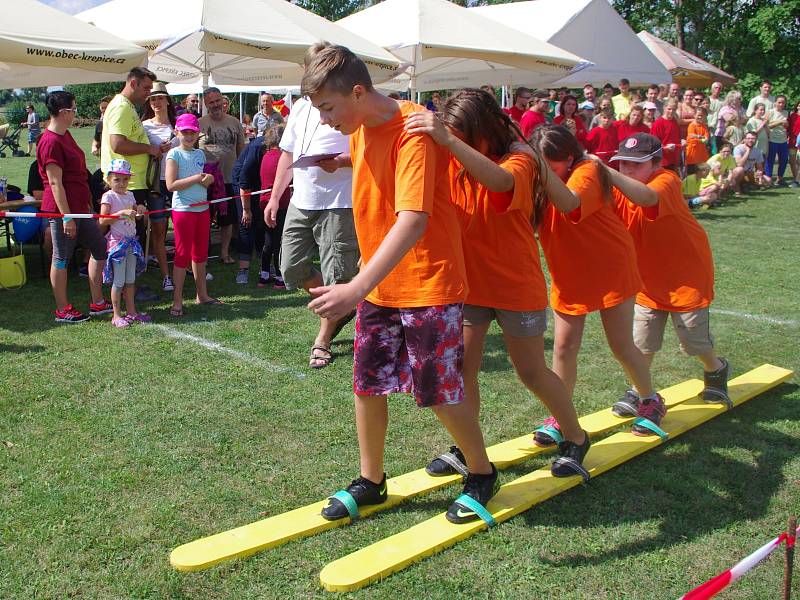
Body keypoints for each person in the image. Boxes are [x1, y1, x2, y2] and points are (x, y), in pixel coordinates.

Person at [302, 44, 498, 525]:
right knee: (367, 384)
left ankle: (481, 472)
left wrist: (354, 286)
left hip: (428, 282)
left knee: (437, 390)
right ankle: (371, 481)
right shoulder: (359, 130)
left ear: (358, 91)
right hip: (382, 285)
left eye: (327, 108)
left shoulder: (414, 131)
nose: (325, 120)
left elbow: (412, 220)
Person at [405, 89, 591, 481]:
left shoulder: (522, 158)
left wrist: (447, 138)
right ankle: (468, 449)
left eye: (463, 134)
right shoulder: (455, 157)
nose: (456, 141)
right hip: (470, 285)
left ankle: (575, 436)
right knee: (463, 370)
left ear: (482, 130)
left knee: (531, 371)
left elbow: (501, 182)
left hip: (515, 285)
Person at [531, 125, 661, 438]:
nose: (550, 169)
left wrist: (538, 168)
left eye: (555, 162)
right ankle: (560, 417)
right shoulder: (539, 179)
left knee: (621, 346)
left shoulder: (587, 169)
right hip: (569, 274)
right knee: (563, 347)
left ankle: (650, 400)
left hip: (610, 268)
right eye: (544, 163)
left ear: (570, 156)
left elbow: (571, 205)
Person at [609, 133, 731, 415]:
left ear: (656, 163)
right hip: (648, 278)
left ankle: (716, 368)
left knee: (693, 341)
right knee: (642, 342)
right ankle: (638, 391)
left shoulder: (666, 180)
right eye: (622, 164)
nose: (626, 170)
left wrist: (607, 173)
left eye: (634, 164)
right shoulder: (619, 188)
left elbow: (647, 198)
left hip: (686, 276)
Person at [264, 43, 359, 369]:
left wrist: (342, 162)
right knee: (290, 268)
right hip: (302, 200)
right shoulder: (302, 107)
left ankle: (323, 339)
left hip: (339, 202)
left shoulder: (348, 101)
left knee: (339, 276)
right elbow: (287, 154)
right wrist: (276, 196)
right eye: (310, 67)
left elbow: (371, 151)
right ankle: (344, 306)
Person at [38, 91, 111, 323]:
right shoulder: (49, 142)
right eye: (73, 110)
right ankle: (63, 309)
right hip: (63, 211)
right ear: (63, 112)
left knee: (99, 247)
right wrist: (66, 216)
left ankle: (97, 302)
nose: (74, 114)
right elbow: (55, 182)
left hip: (80, 207)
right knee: (61, 258)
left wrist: (87, 204)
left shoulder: (65, 135)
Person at [165, 113, 221, 316]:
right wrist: (197, 178)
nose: (189, 136)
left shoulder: (199, 154)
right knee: (182, 256)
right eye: (185, 132)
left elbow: (204, 180)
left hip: (202, 209)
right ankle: (177, 301)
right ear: (177, 132)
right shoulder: (174, 154)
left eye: (192, 132)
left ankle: (202, 295)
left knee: (200, 255)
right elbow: (171, 185)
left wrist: (208, 179)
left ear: (198, 133)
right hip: (184, 211)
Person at [102, 67, 170, 231]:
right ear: (133, 83)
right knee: (129, 235)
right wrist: (149, 149)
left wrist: (152, 148)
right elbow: (117, 144)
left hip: (130, 183)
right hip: (127, 184)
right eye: (146, 88)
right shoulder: (122, 107)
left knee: (133, 234)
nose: (149, 93)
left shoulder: (127, 106)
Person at [98, 159, 150, 328]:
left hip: (131, 243)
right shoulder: (108, 196)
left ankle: (132, 312)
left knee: (130, 280)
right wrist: (120, 213)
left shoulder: (130, 195)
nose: (122, 183)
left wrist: (140, 209)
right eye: (117, 179)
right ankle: (116, 315)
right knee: (119, 281)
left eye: (125, 179)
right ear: (108, 180)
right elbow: (103, 221)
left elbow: (136, 213)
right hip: (118, 245)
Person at [198, 87, 245, 263]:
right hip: (206, 181)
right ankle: (203, 252)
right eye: (211, 102)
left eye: (218, 100)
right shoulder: (199, 123)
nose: (216, 105)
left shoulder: (234, 123)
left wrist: (241, 172)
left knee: (227, 220)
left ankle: (224, 253)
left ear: (222, 100)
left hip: (229, 178)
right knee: (205, 218)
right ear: (206, 104)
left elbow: (241, 149)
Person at [141, 82, 179, 292]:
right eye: (153, 98)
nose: (157, 102)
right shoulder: (144, 126)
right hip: (156, 183)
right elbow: (140, 151)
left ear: (167, 100)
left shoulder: (178, 123)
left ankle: (185, 267)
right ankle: (166, 276)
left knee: (182, 228)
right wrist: (155, 150)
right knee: (159, 229)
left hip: (178, 182)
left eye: (160, 98)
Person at [257, 125, 290, 288]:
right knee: (278, 241)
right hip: (280, 203)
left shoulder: (266, 156)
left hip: (264, 202)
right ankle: (279, 276)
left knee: (268, 240)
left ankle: (264, 274)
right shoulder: (283, 157)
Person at [650, 98, 683, 171]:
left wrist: (682, 143)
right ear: (664, 108)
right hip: (662, 161)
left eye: (674, 109)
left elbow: (678, 139)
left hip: (674, 160)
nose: (671, 111)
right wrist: (665, 148)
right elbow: (653, 144)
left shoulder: (675, 121)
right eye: (669, 109)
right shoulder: (658, 123)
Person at [765, 95, 789, 186]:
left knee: (784, 160)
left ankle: (780, 179)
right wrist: (779, 122)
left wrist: (786, 124)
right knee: (770, 160)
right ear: (775, 103)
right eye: (779, 102)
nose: (781, 104)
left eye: (783, 102)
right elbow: (766, 126)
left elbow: (787, 126)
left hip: (783, 140)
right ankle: (769, 179)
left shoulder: (786, 113)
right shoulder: (770, 112)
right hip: (772, 139)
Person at [685, 106, 710, 174]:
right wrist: (701, 138)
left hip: (702, 154)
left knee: (701, 175)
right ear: (694, 115)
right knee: (691, 174)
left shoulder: (704, 126)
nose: (700, 117)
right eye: (699, 115)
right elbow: (691, 138)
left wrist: (698, 137)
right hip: (692, 154)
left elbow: (706, 138)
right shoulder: (692, 126)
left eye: (702, 115)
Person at [707, 82, 724, 153]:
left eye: (719, 88)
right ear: (712, 89)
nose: (718, 89)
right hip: (707, 124)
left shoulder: (722, 101)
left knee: (714, 147)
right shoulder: (706, 100)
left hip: (718, 127)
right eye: (716, 88)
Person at [787, 100, 800, 187]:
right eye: (799, 105)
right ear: (797, 106)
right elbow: (788, 127)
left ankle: (797, 180)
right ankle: (795, 178)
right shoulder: (792, 116)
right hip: (792, 142)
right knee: (792, 161)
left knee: (799, 161)